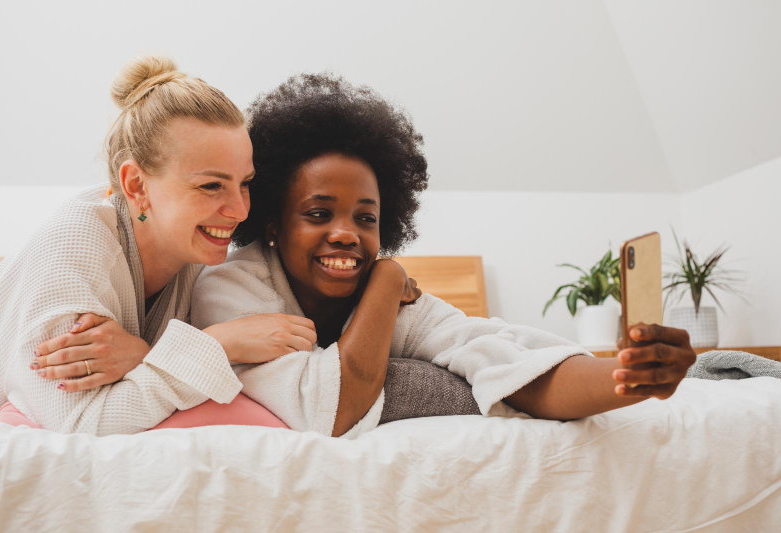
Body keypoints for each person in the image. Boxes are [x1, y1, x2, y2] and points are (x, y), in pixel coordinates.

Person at [189, 73, 698, 438]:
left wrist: (626, 379)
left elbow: (506, 360)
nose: (347, 234)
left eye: (366, 218)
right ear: (274, 224)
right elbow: (334, 408)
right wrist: (389, 277)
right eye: (319, 214)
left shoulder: (395, 302)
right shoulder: (229, 289)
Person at [0, 56, 319, 434]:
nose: (240, 210)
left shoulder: (197, 259)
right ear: (137, 186)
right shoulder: (74, 244)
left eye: (245, 183)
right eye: (211, 186)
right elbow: (80, 422)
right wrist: (218, 344)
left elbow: (168, 371)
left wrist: (145, 355)